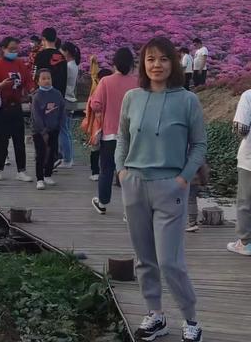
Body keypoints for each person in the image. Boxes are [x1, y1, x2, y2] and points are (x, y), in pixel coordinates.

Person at [115, 36, 206, 342]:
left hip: (170, 187)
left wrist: (183, 179)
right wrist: (122, 171)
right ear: (143, 63)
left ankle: (191, 319)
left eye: (164, 59)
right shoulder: (132, 97)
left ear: (175, 62)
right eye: (151, 59)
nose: (157, 65)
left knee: (170, 261)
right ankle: (156, 314)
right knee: (144, 257)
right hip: (135, 185)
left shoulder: (188, 100)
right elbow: (122, 137)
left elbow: (199, 145)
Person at [91, 48, 138, 215]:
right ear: (131, 64)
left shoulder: (106, 82)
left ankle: (103, 203)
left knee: (106, 168)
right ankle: (129, 211)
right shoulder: (136, 83)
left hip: (110, 134)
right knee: (130, 172)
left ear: (114, 63)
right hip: (132, 135)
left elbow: (95, 104)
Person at [0, 37, 34, 182]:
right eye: (11, 49)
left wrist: (33, 90)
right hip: (2, 108)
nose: (14, 52)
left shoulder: (19, 64)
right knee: (1, 139)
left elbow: (28, 80)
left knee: (19, 140)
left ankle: (21, 170)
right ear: (4, 49)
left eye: (16, 49)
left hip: (16, 106)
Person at [31, 69, 66, 190]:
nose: (47, 81)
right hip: (39, 131)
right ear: (38, 81)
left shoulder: (57, 94)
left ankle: (48, 174)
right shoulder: (37, 96)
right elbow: (36, 116)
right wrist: (43, 131)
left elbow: (62, 110)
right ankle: (40, 178)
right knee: (41, 154)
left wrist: (60, 125)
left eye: (49, 78)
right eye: (43, 78)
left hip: (54, 129)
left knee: (52, 152)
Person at [227, 88, 251, 256]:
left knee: (246, 201)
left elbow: (241, 127)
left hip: (250, 159)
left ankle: (245, 243)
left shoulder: (248, 95)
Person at [58, 42, 81, 168]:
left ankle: (67, 159)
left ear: (66, 52)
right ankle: (68, 158)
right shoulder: (74, 65)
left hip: (66, 99)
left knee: (63, 131)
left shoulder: (68, 66)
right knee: (67, 131)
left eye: (61, 51)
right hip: (71, 99)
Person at [34, 27, 67, 97]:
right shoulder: (62, 56)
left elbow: (35, 76)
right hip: (58, 96)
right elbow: (64, 78)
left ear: (43, 39)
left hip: (42, 96)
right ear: (55, 39)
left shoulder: (40, 56)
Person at [186, 164, 210, 232]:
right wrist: (204, 181)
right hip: (193, 179)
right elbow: (203, 168)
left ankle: (191, 223)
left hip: (181, 179)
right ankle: (192, 223)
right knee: (191, 201)